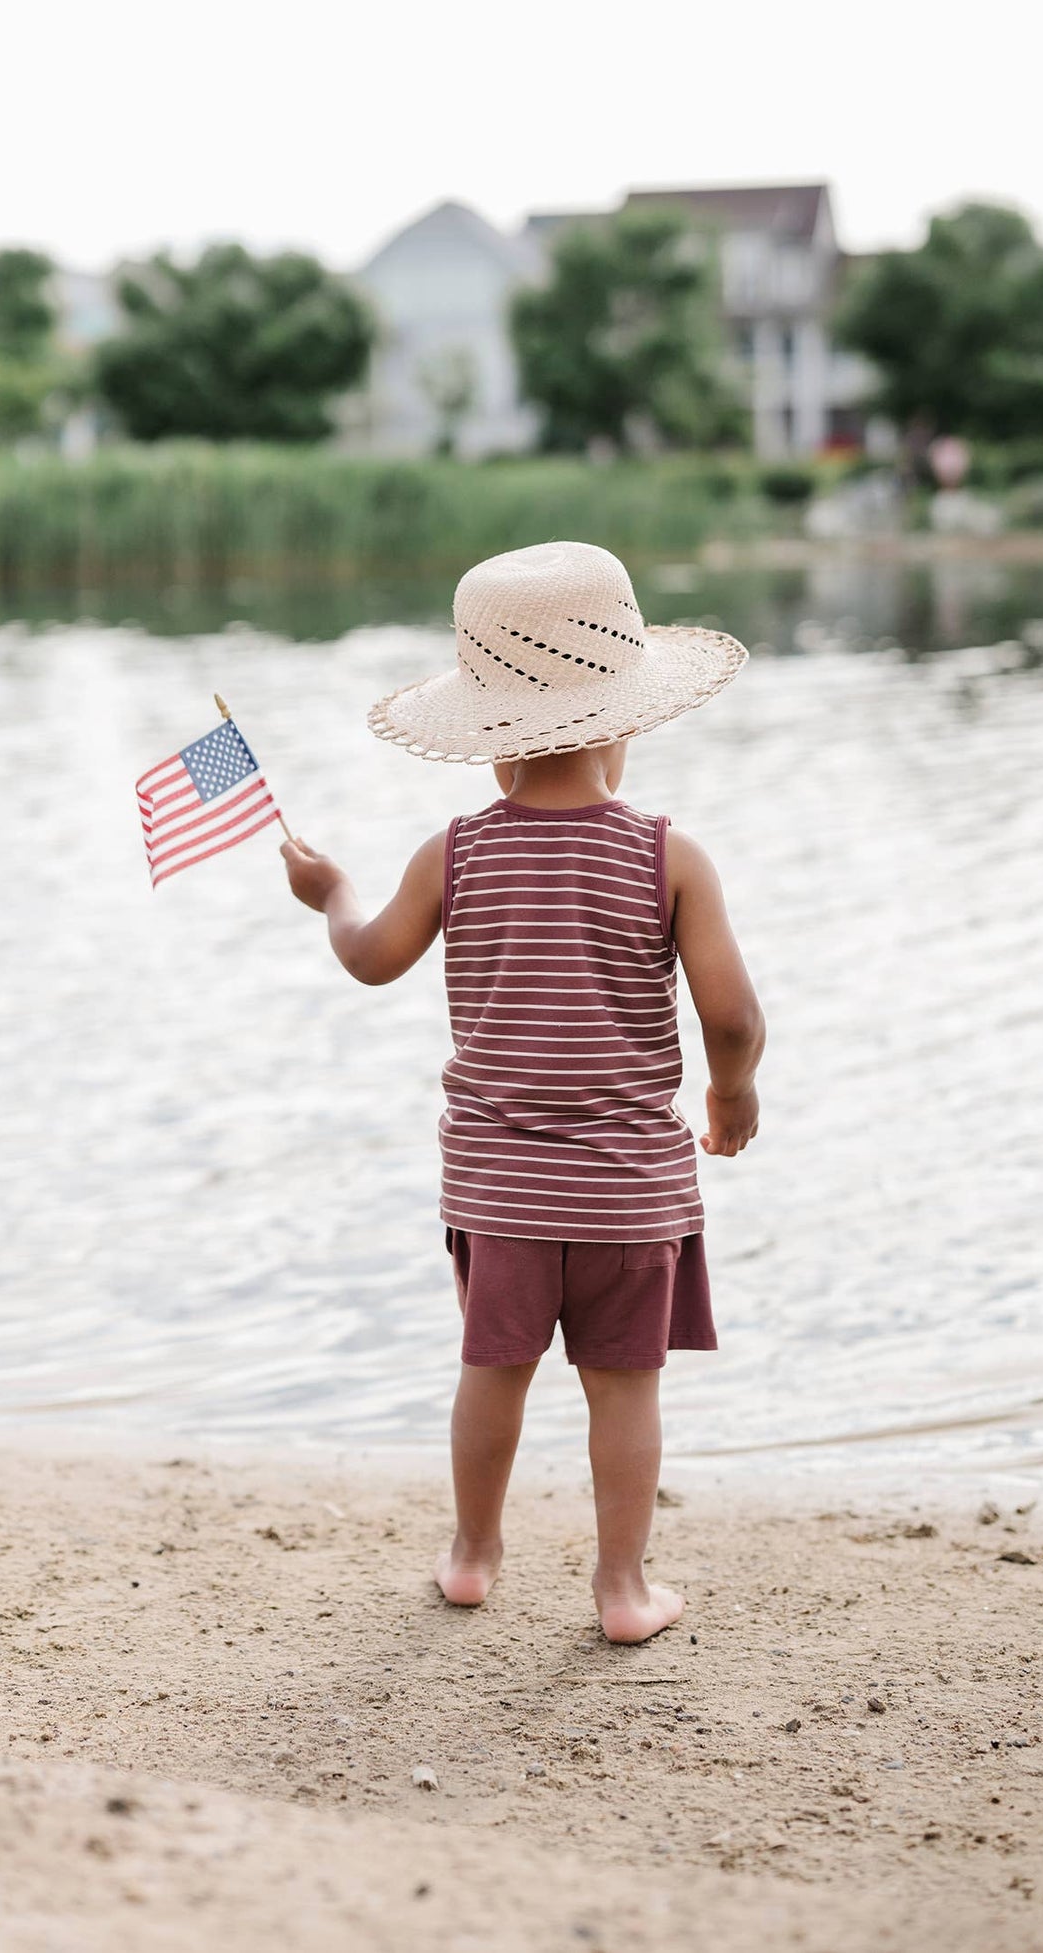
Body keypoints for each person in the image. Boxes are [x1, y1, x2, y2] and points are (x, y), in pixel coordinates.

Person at [281, 541, 764, 1643]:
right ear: (623, 724)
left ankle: (470, 1552)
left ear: (488, 746)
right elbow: (730, 1014)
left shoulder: (452, 853)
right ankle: (621, 1588)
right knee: (622, 1389)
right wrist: (730, 1095)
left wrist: (329, 889)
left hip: (497, 1188)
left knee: (489, 1372)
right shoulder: (666, 856)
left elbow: (367, 957)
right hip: (627, 1194)